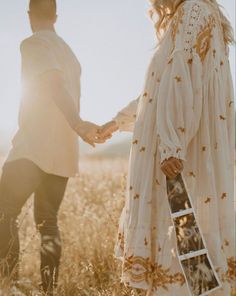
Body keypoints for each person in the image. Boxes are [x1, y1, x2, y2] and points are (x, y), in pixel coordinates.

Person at [101, 0, 235, 295]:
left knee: (185, 244)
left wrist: (172, 146)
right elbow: (160, 89)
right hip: (184, 147)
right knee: (190, 247)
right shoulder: (198, 13)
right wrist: (115, 123)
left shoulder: (192, 11)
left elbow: (180, 80)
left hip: (180, 153)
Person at [0, 0, 106, 294]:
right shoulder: (70, 54)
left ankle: (8, 284)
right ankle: (49, 290)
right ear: (56, 16)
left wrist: (77, 122)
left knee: (4, 212)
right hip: (62, 152)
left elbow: (52, 81)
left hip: (33, 146)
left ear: (29, 15)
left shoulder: (32, 44)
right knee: (47, 223)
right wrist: (74, 128)